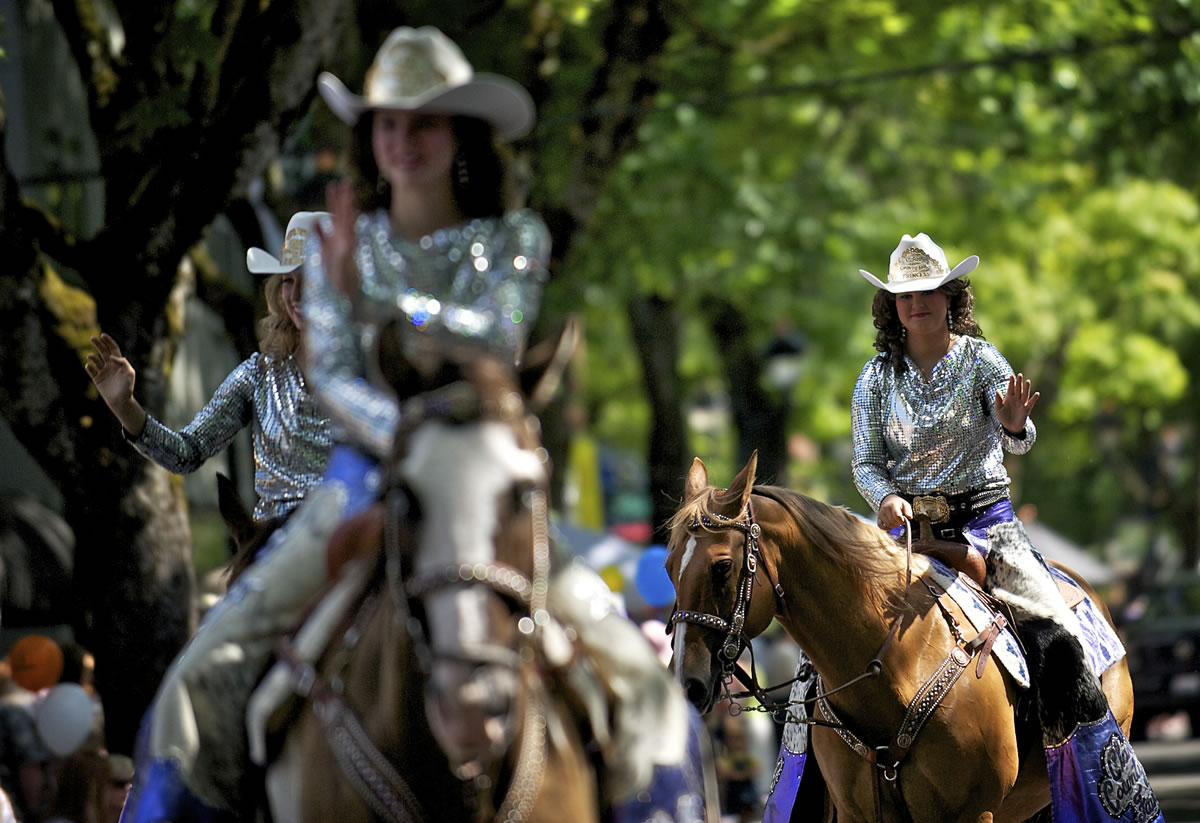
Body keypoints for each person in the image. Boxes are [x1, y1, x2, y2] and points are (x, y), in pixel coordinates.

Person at [84, 211, 333, 524]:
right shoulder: (258, 375)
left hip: (355, 539)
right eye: (287, 281)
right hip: (278, 549)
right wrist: (125, 406)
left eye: (308, 279)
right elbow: (187, 452)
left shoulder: (373, 367)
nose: (294, 295)